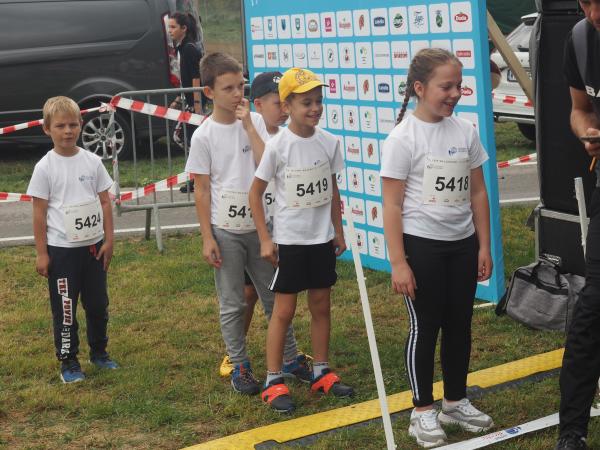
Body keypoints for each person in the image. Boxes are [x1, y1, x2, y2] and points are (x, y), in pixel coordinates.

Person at [380, 48, 494, 447]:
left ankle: (455, 401)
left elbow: (477, 192)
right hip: (421, 246)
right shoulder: (403, 138)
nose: (455, 94)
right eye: (446, 87)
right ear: (419, 88)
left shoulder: (465, 131)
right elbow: (391, 205)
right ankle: (422, 411)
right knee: (425, 327)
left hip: (462, 245)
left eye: (458, 86)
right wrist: (399, 262)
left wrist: (483, 246)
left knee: (459, 324)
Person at [184, 53, 309, 395]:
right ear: (209, 92)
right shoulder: (204, 135)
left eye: (241, 85)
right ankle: (239, 364)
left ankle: (289, 356)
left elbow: (267, 162)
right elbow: (202, 189)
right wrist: (207, 237)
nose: (237, 93)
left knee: (275, 296)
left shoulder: (255, 121)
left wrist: (250, 127)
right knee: (233, 301)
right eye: (228, 88)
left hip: (261, 228)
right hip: (226, 230)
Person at [249, 67, 354, 414]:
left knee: (321, 305)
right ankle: (273, 379)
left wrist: (338, 230)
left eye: (318, 101)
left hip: (321, 239)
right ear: (287, 106)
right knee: (284, 310)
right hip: (291, 242)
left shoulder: (329, 142)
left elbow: (332, 189)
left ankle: (321, 371)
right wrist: (265, 239)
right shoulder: (278, 147)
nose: (315, 108)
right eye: (306, 102)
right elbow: (255, 193)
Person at [220, 71, 308, 378]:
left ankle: (288, 355)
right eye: (277, 103)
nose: (284, 109)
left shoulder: (288, 135)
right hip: (245, 226)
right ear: (257, 104)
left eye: (287, 103)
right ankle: (234, 353)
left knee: (272, 292)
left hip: (275, 226)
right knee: (246, 294)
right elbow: (261, 165)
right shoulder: (249, 128)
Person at [27, 96, 118, 383]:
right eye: (60, 126)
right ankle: (68, 361)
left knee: (98, 304)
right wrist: (42, 253)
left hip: (93, 249)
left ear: (81, 124)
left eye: (73, 125)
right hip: (62, 252)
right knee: (66, 310)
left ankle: (99, 352)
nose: (68, 131)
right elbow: (39, 213)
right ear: (47, 129)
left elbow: (105, 202)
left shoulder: (92, 162)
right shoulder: (45, 167)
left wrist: (109, 240)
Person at [557, 1, 600, 448]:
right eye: (586, 1)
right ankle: (572, 432)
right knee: (592, 309)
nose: (594, 12)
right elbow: (579, 108)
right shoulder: (581, 39)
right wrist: (587, 131)